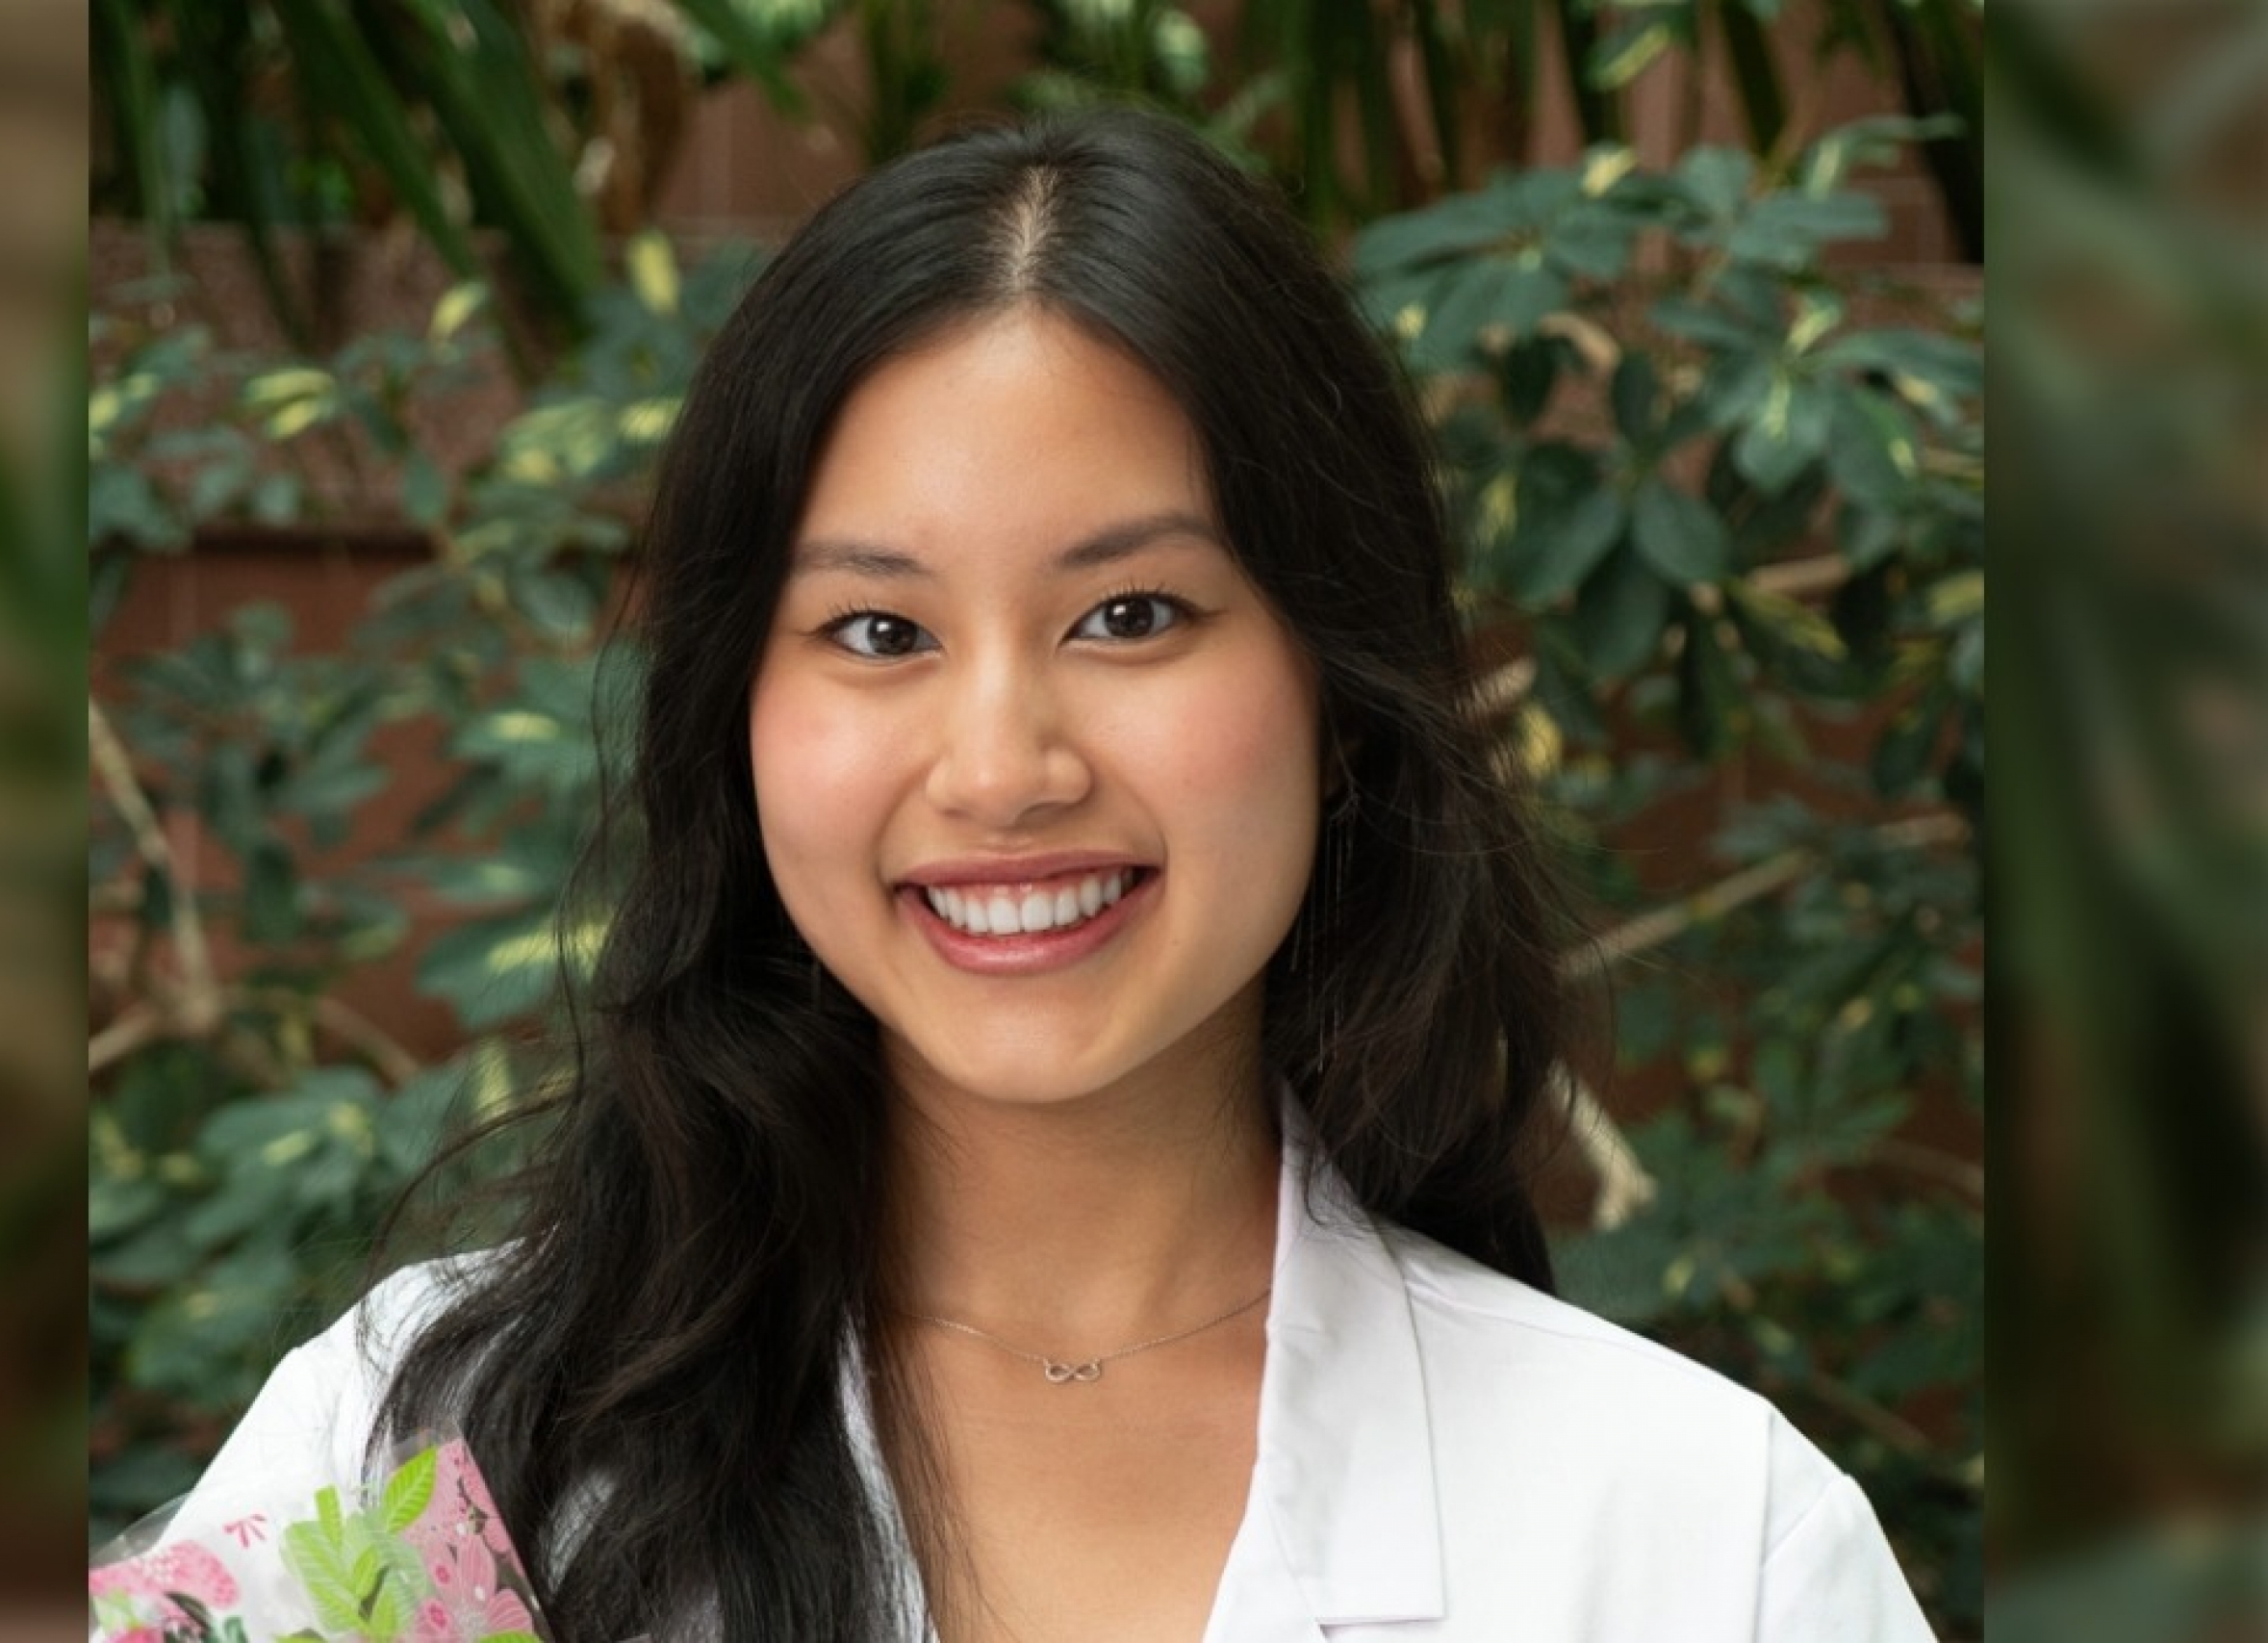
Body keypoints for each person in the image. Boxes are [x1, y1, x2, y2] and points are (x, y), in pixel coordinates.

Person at [160, 110, 1939, 1641]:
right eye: (876, 629)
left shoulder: (1699, 1544)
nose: (1004, 768)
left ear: (1337, 686)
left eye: (1133, 614)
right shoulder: (423, 1460)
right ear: (737, 721)